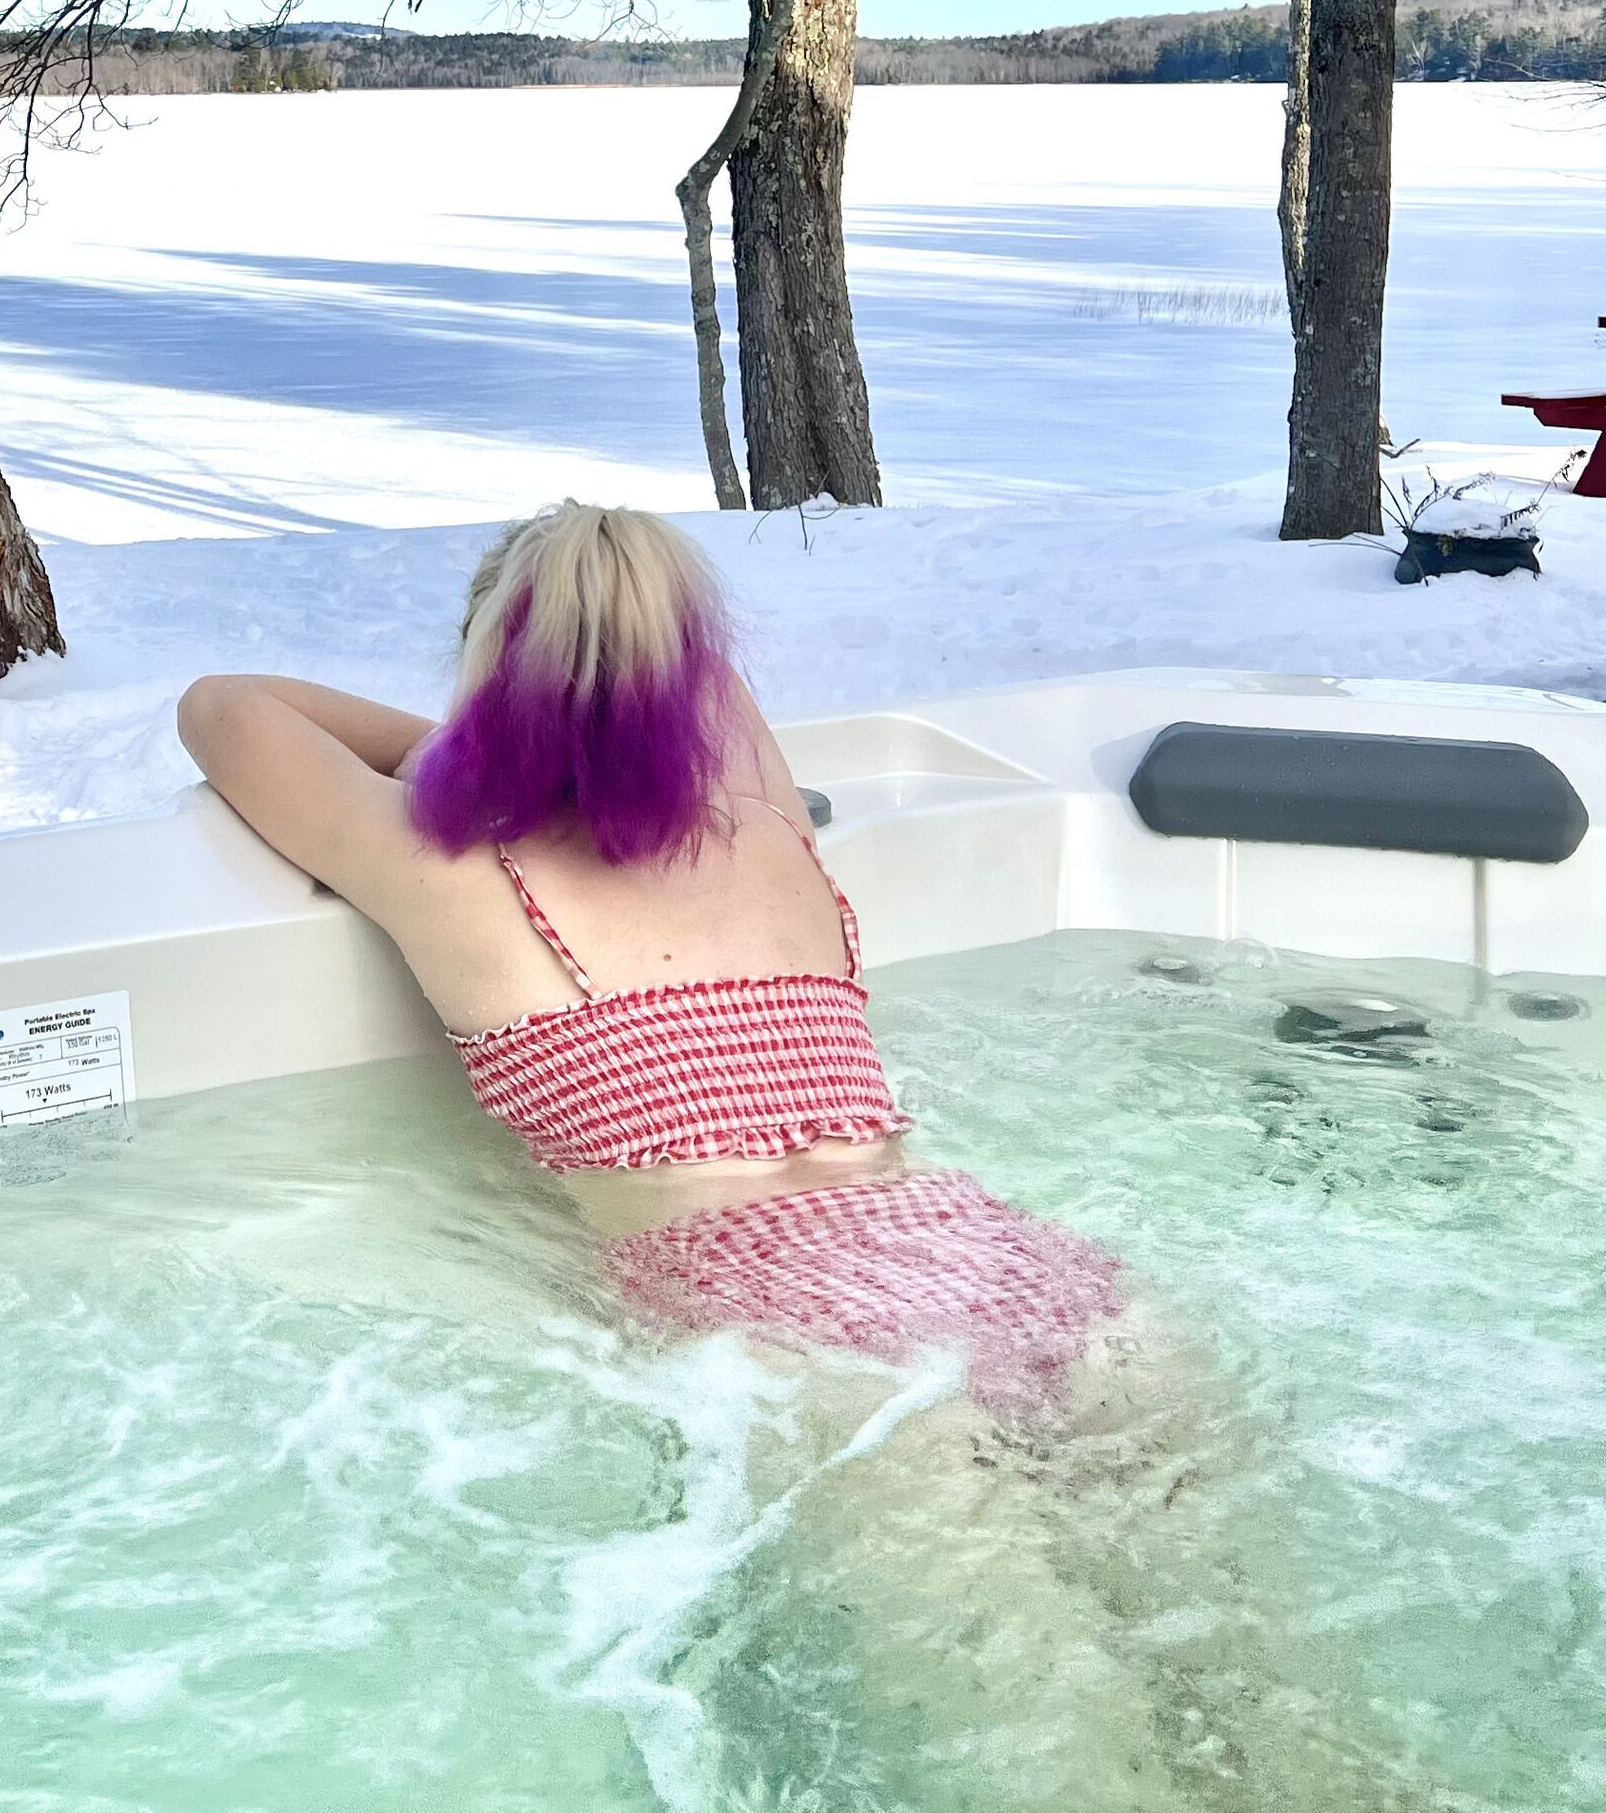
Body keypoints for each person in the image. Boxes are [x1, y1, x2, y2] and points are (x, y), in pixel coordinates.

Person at [176, 498, 1122, 1418]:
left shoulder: (446, 867)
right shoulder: (768, 829)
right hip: (989, 1257)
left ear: (484, 676)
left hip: (789, 1332)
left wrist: (481, 751)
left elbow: (223, 707)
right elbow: (701, 678)